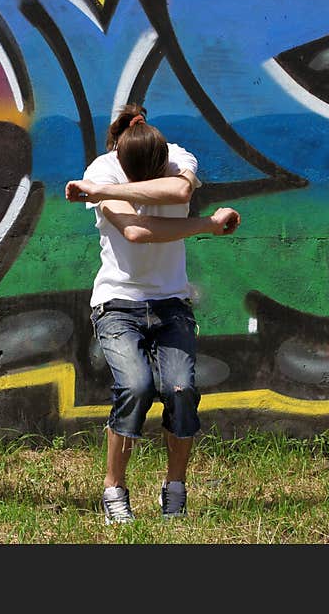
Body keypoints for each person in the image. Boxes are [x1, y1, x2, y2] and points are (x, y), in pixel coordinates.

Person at [65, 104, 240, 523]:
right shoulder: (102, 169)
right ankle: (113, 490)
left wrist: (99, 193)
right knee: (137, 388)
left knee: (181, 391)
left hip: (171, 302)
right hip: (117, 303)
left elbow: (180, 193)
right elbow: (137, 232)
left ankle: (175, 488)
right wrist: (208, 225)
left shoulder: (178, 158)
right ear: (122, 164)